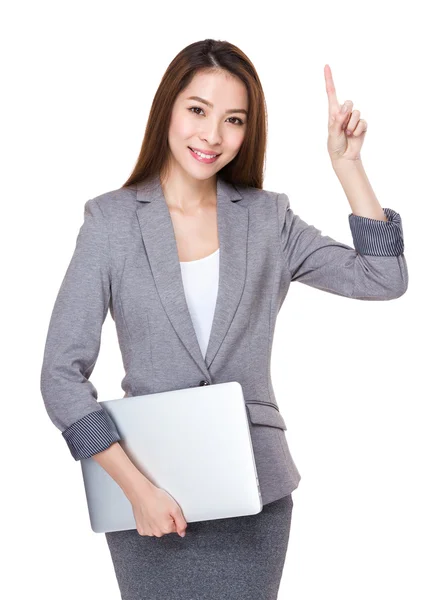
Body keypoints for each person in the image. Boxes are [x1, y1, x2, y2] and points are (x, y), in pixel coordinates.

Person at [40, 38, 408, 599]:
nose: (212, 135)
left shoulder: (268, 219)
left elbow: (384, 279)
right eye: (197, 110)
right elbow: (60, 377)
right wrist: (136, 489)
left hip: (255, 496)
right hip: (148, 496)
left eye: (233, 119)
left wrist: (348, 166)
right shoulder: (110, 222)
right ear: (168, 107)